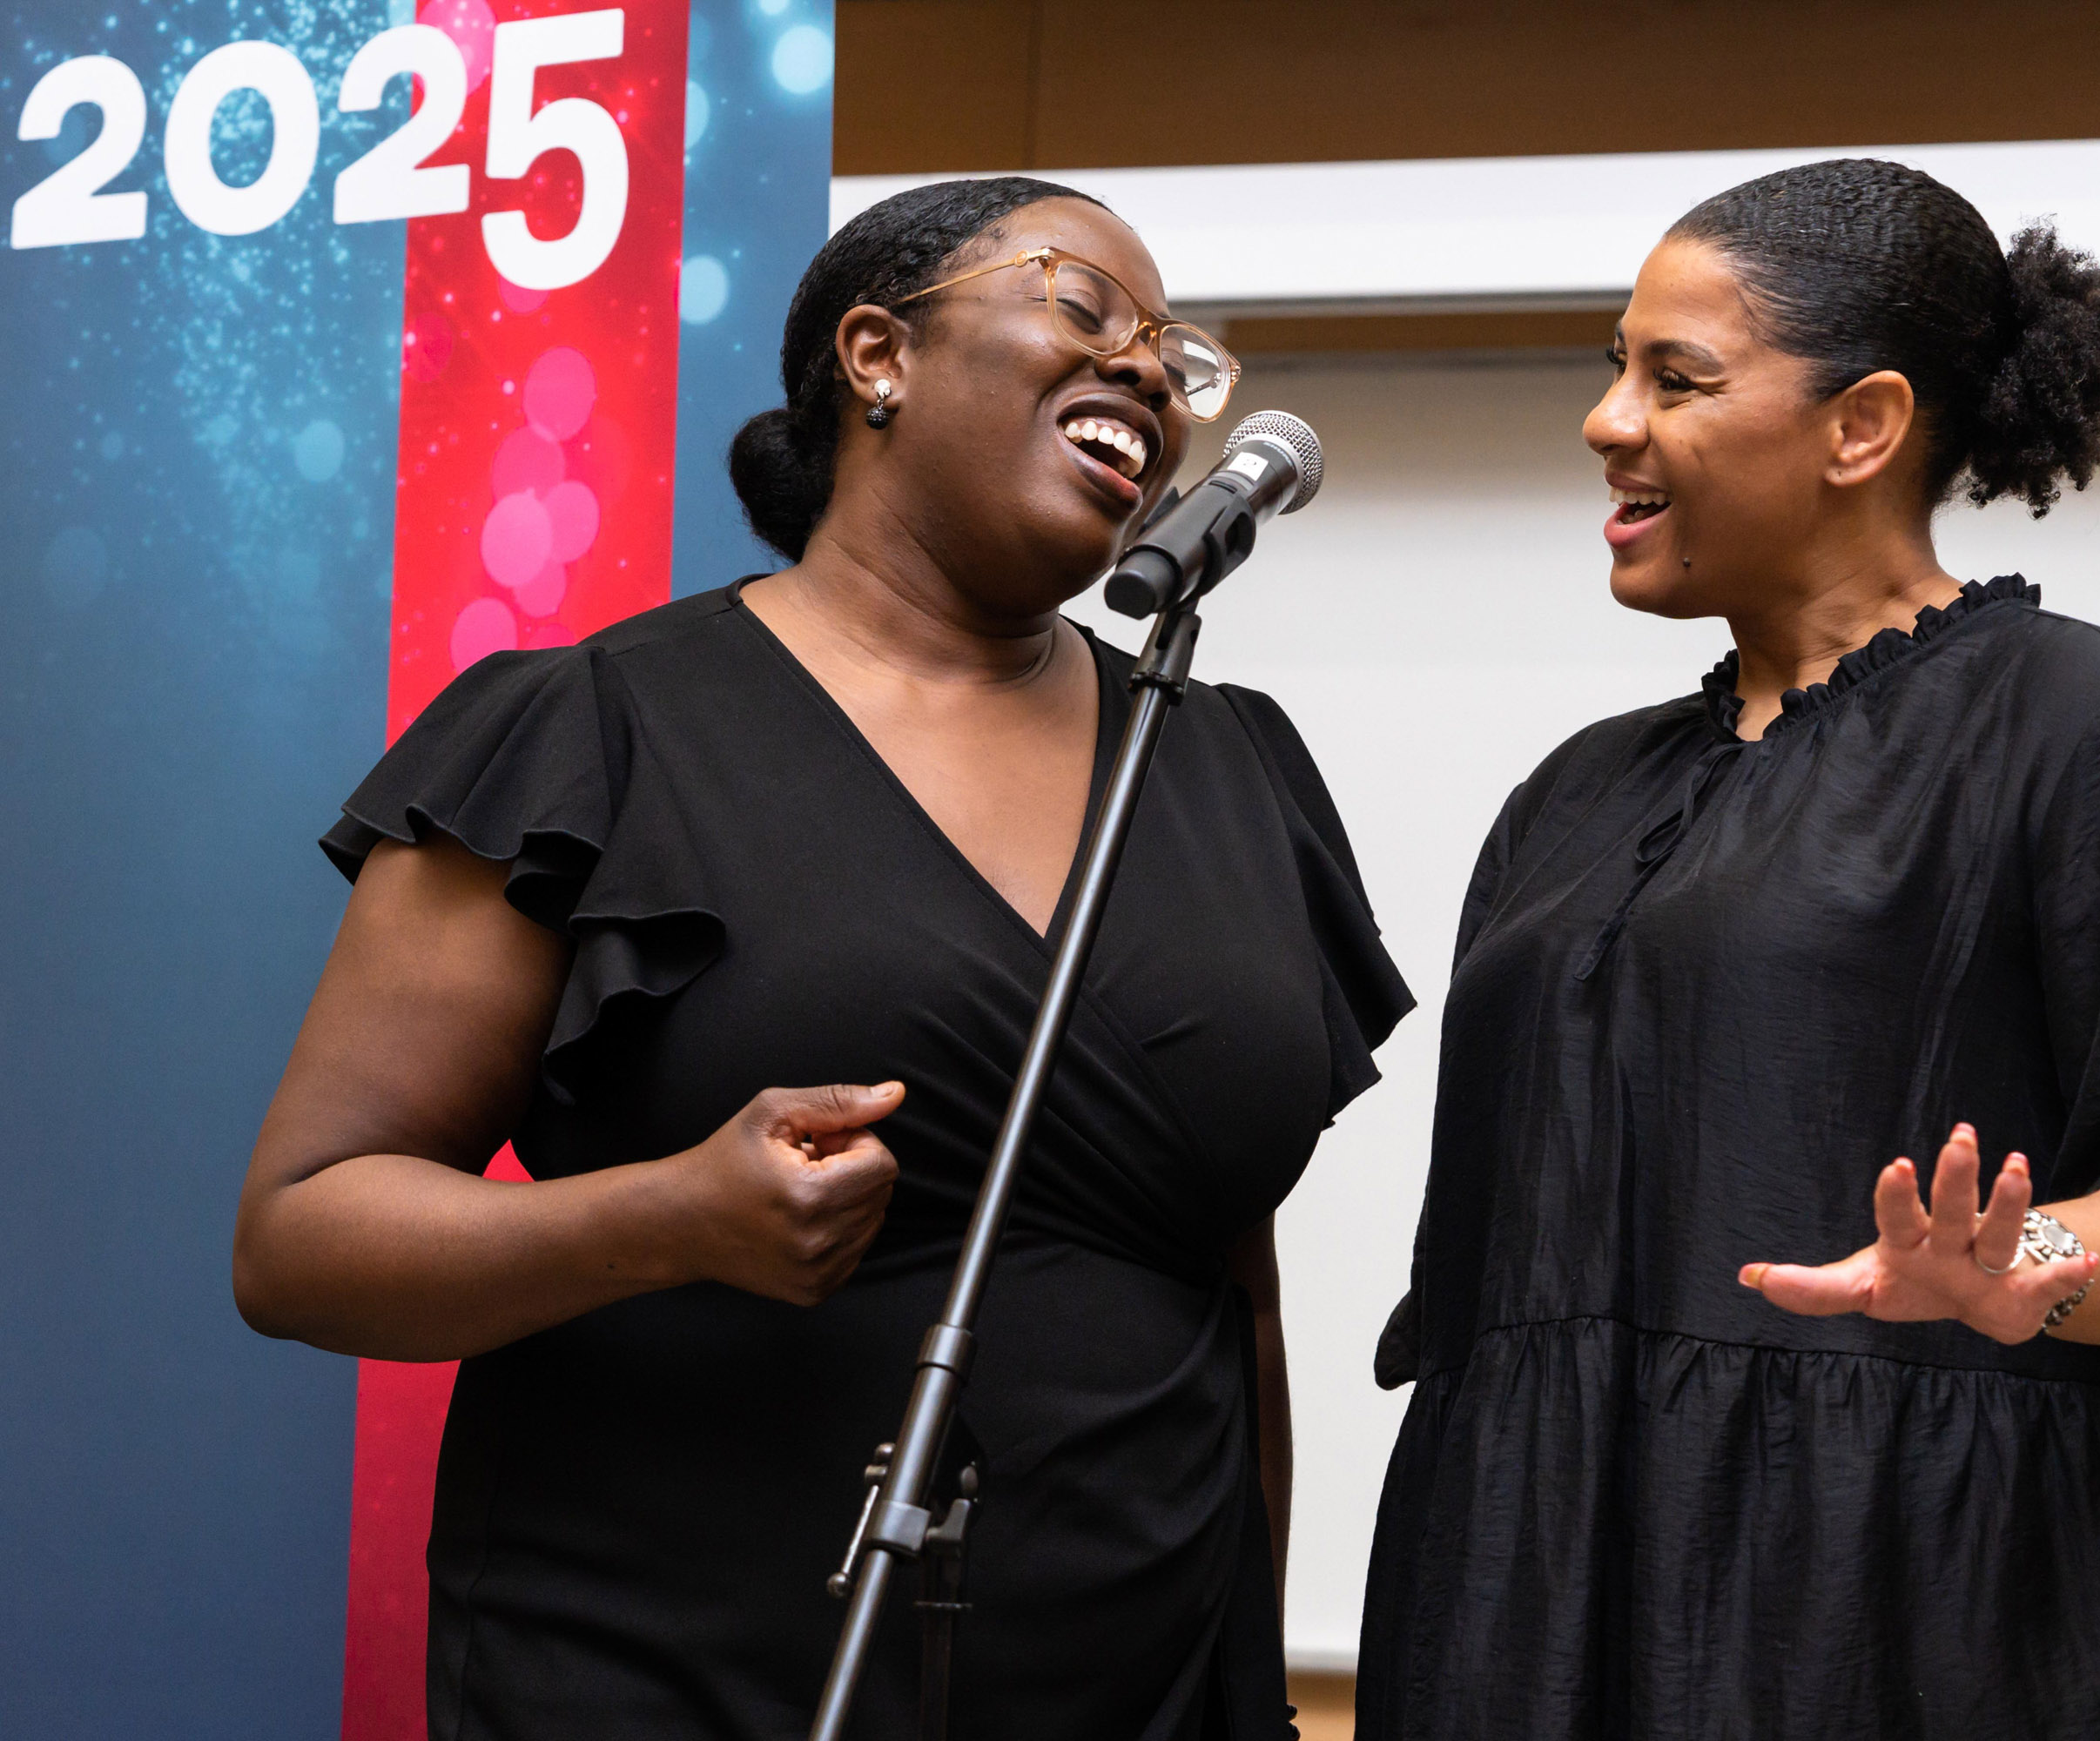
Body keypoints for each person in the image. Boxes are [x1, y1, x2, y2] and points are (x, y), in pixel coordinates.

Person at [233, 177, 1410, 1741]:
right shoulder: (597, 732)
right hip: (674, 1669)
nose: (1142, 370)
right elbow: (302, 1239)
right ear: (878, 355)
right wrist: (666, 1218)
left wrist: (1244, 1685)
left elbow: (1227, 1284)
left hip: (1138, 1678)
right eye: (1081, 309)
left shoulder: (1227, 767)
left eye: (1170, 357)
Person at [1357, 159, 2100, 1740]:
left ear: (1862, 427)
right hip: (1536, 1597)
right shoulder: (1576, 792)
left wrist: (2011, 1270)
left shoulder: (2075, 720)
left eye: (1674, 376)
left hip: (1906, 1612)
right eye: (1613, 368)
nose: (1607, 420)